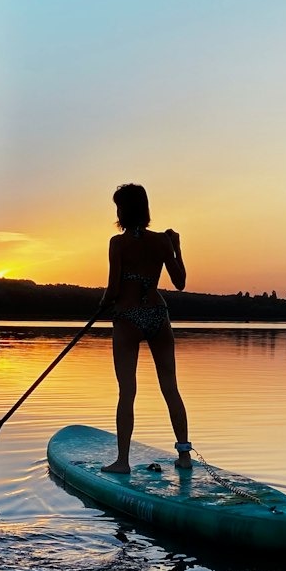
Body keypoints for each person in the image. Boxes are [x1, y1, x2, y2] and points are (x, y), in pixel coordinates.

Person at [97, 183, 192, 474]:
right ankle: (185, 456)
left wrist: (101, 306)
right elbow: (180, 282)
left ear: (123, 211)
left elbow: (113, 289)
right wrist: (176, 248)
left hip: (127, 318)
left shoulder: (118, 243)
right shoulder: (162, 241)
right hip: (157, 316)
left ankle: (122, 462)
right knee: (170, 388)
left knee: (127, 392)